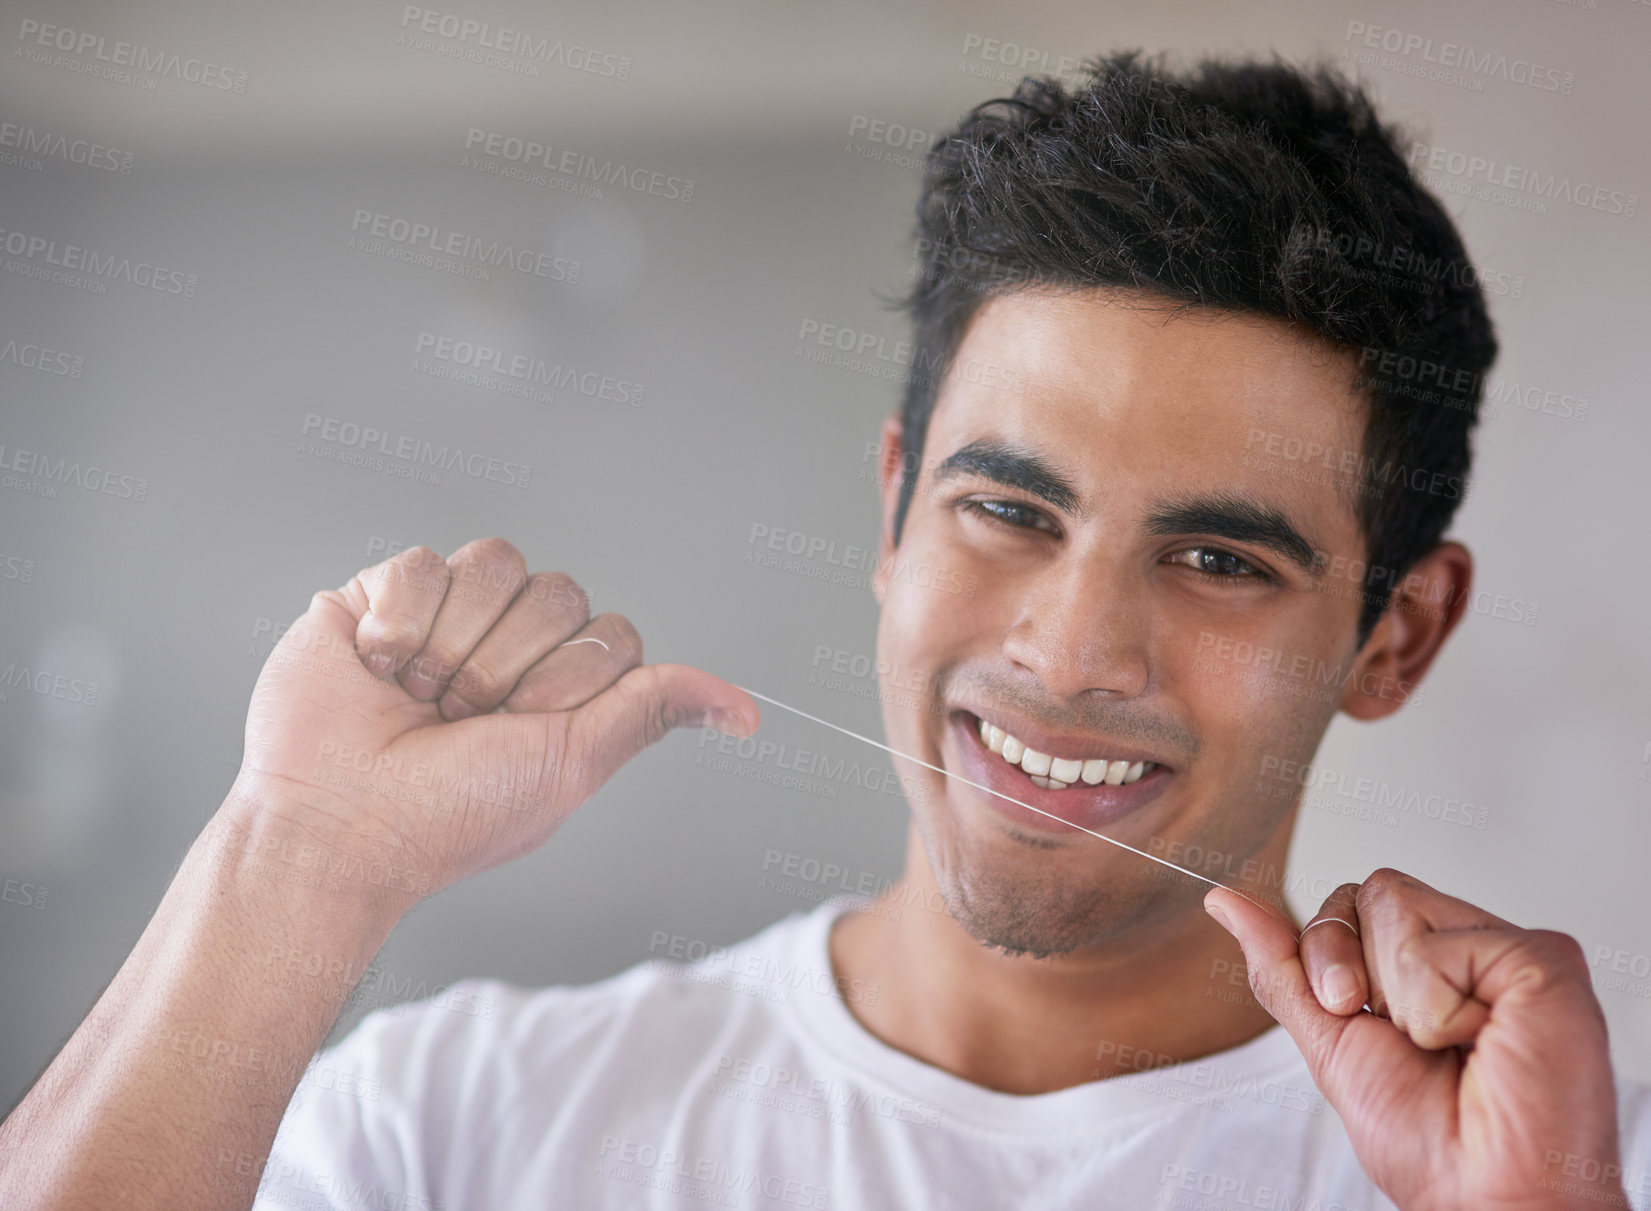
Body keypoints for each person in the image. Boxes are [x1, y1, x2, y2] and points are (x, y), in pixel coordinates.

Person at [2, 50, 1646, 1211]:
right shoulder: (458, 1126)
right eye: (1008, 510)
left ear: (1395, 639)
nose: (1074, 652)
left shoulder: (1571, 1167)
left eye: (1218, 558)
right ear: (889, 510)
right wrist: (293, 861)